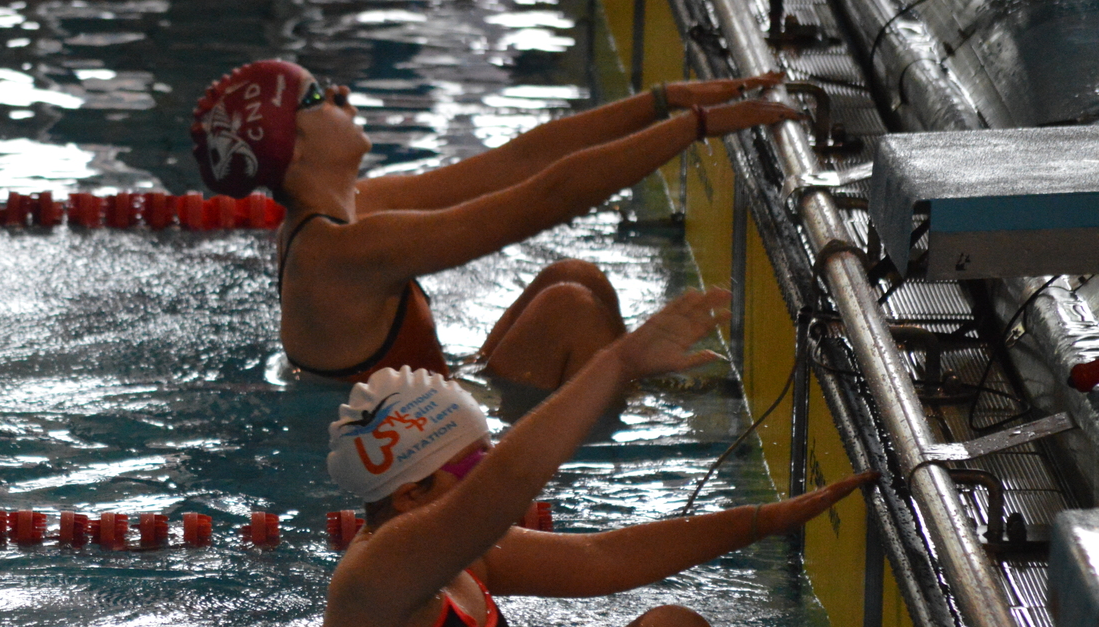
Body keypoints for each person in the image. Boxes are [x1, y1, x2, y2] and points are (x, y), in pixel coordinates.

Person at [293, 288, 871, 627]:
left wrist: (764, 520)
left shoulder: (464, 555)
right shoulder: (376, 576)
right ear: (409, 494)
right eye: (473, 471)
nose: (486, 485)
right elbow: (511, 481)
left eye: (488, 458)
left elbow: (602, 557)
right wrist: (617, 362)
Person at [188, 60, 800, 388]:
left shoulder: (351, 211)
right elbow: (544, 198)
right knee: (569, 309)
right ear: (293, 149)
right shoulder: (343, 251)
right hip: (420, 472)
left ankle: (633, 387)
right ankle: (637, 397)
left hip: (435, 417)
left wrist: (663, 101)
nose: (342, 93)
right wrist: (694, 129)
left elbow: (518, 162)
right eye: (318, 96)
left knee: (575, 276)